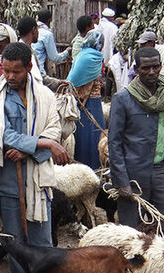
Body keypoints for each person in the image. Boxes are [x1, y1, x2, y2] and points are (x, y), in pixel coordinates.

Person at [0, 42, 69, 273]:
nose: (9, 76)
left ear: (29, 67)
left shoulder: (45, 96)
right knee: (15, 241)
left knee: (42, 239)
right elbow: (2, 134)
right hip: (9, 181)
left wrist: (28, 151)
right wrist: (44, 145)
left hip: (37, 179)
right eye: (5, 70)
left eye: (16, 71)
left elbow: (54, 129)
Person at [108, 47, 164, 227]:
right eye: (146, 68)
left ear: (161, 66)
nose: (152, 72)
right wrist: (121, 182)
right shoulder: (123, 99)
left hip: (159, 170)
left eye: (155, 67)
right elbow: (114, 142)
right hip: (133, 174)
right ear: (136, 69)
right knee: (132, 231)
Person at [67, 30, 104, 169]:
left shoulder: (85, 55)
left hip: (87, 102)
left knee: (87, 135)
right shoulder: (91, 58)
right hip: (88, 103)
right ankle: (91, 168)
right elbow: (75, 81)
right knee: (91, 135)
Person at [17, 16, 65, 91]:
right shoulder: (24, 52)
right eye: (38, 30)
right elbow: (36, 78)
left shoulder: (25, 49)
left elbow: (40, 75)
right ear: (34, 30)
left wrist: (57, 83)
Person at [33, 8, 69, 74]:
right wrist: (67, 52)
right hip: (38, 72)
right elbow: (55, 58)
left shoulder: (31, 29)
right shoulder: (47, 34)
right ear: (50, 19)